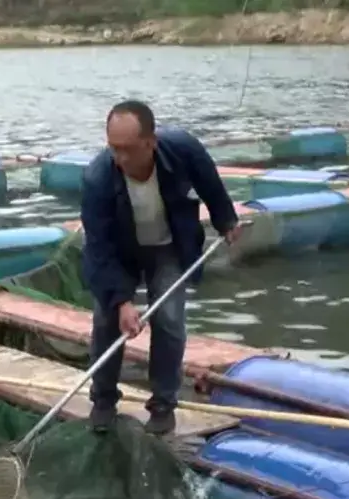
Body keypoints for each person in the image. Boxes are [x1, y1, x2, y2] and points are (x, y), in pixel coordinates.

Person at [80, 100, 242, 436]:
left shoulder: (183, 149)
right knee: (107, 320)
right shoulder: (98, 177)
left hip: (169, 245)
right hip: (119, 253)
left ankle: (163, 404)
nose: (119, 158)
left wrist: (225, 220)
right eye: (113, 149)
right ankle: (104, 399)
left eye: (128, 149)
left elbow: (210, 183)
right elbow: (98, 248)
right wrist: (122, 302)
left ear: (150, 142)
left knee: (169, 319)